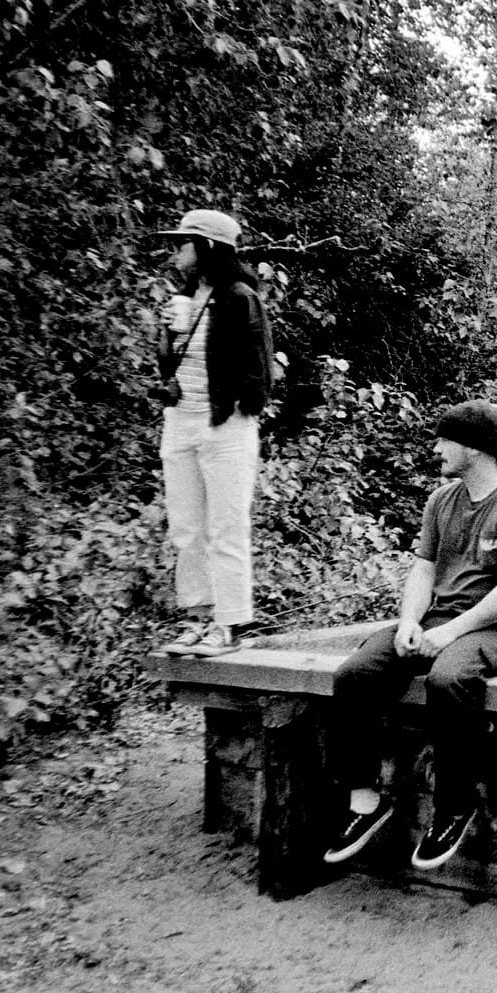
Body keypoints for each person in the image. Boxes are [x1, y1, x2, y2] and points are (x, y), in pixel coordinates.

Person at [322, 402, 497, 872]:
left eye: (444, 440)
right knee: (354, 675)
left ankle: (453, 806)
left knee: (446, 680)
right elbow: (423, 570)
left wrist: (446, 633)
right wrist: (409, 622)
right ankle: (366, 803)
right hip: (438, 621)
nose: (436, 448)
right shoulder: (441, 500)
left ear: (473, 446)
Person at [154, 208, 275, 658]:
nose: (176, 250)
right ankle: (196, 619)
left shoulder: (240, 295)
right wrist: (167, 332)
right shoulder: (185, 295)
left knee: (226, 527)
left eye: (183, 242)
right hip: (180, 420)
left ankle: (229, 627)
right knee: (186, 528)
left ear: (207, 247)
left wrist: (235, 411)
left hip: (226, 425)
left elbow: (260, 370)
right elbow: (169, 364)